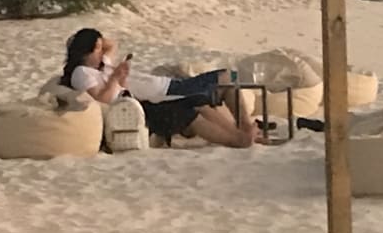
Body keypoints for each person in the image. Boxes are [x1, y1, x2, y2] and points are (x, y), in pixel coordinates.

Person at [60, 27, 262, 148]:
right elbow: (102, 100)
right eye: (97, 47)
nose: (101, 50)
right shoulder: (82, 72)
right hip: (141, 106)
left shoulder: (100, 66)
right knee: (196, 106)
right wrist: (115, 78)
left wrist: (99, 44)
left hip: (145, 99)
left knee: (200, 101)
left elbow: (111, 46)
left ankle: (241, 135)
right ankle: (241, 139)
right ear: (89, 50)